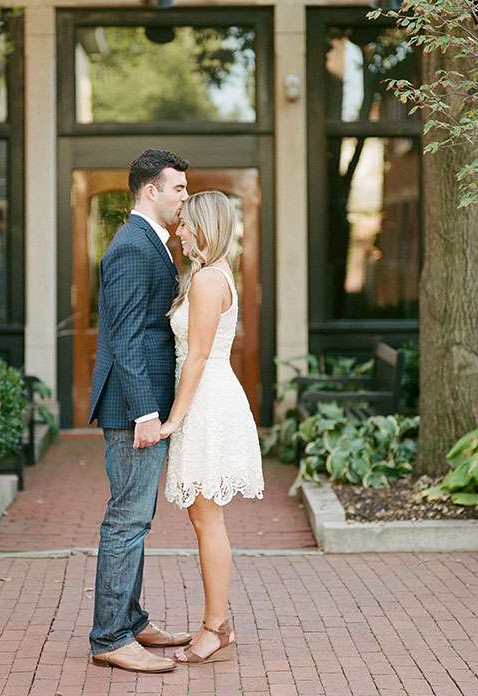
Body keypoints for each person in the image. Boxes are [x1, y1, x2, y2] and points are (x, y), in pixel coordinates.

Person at [87, 149, 192, 673]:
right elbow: (125, 338)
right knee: (126, 519)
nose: (184, 198)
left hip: (141, 404)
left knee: (137, 518)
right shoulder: (132, 247)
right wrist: (146, 412)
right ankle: (109, 637)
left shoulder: (150, 242)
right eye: (178, 189)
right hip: (134, 407)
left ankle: (131, 621)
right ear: (151, 190)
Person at [160, 190, 264, 664]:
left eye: (184, 224)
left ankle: (215, 628)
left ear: (203, 226)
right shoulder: (215, 273)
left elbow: (198, 355)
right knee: (204, 516)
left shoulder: (206, 280)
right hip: (209, 399)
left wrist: (175, 418)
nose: (178, 232)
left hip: (206, 405)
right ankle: (217, 623)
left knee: (207, 518)